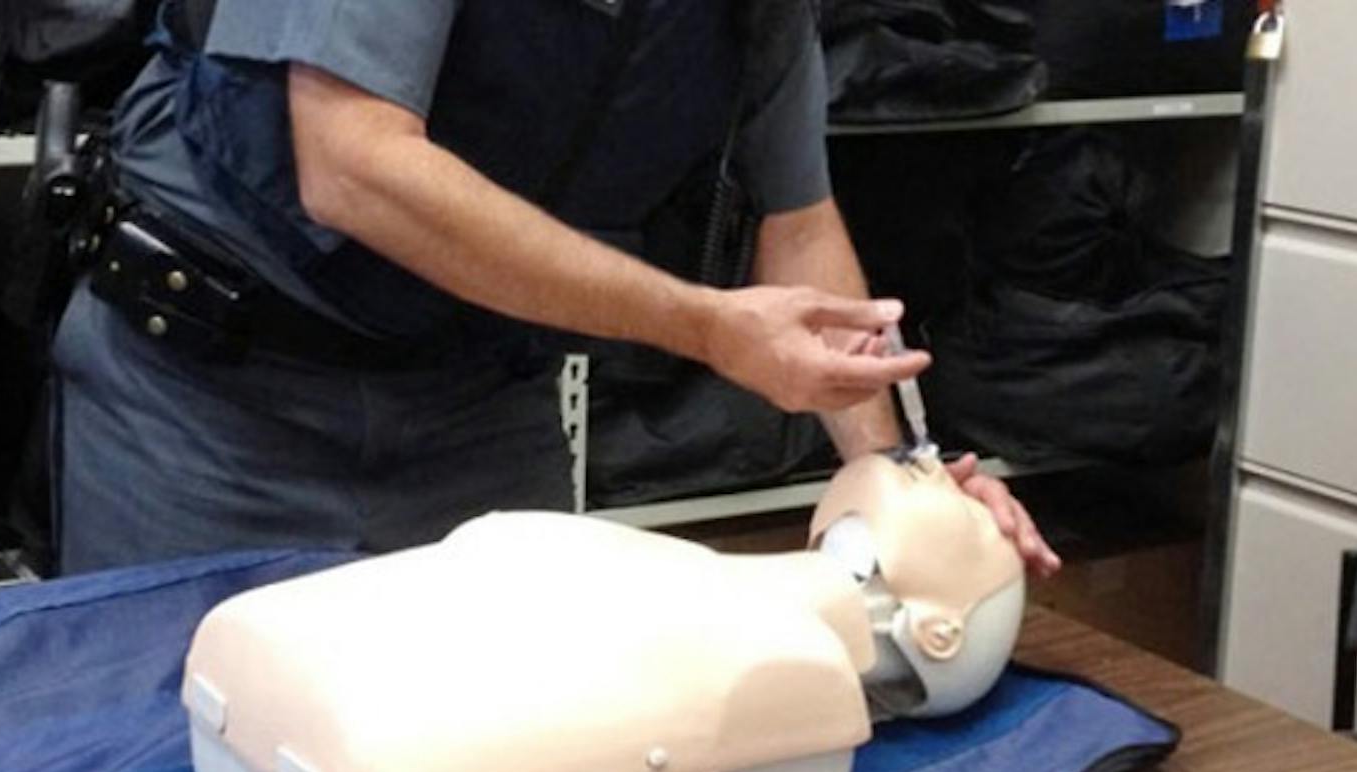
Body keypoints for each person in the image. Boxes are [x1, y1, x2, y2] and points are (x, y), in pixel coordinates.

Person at [52, 0, 1060, 577]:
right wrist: (705, 327)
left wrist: (903, 488)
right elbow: (352, 164)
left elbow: (796, 224)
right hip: (215, 404)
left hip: (476, 409)